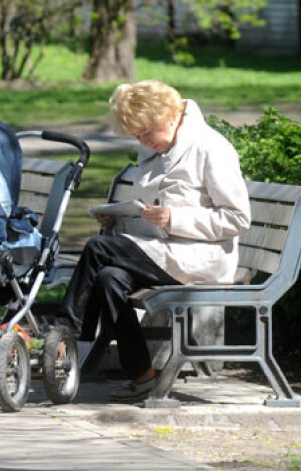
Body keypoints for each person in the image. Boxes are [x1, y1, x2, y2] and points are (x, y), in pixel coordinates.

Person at [57, 79, 251, 402]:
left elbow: (237, 218)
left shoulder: (210, 148)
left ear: (170, 116)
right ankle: (143, 377)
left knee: (96, 248)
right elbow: (150, 216)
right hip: (163, 252)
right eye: (138, 136)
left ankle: (64, 340)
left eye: (147, 133)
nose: (144, 141)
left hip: (200, 258)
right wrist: (117, 220)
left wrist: (176, 218)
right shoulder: (155, 148)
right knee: (109, 279)